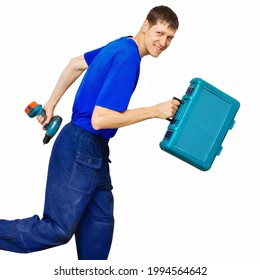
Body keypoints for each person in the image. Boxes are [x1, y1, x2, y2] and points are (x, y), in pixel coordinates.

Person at [0, 5, 180, 260]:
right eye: (160, 33)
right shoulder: (127, 58)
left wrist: (51, 103)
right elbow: (101, 119)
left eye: (170, 38)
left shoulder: (121, 45)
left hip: (93, 151)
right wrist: (155, 110)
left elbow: (75, 64)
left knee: (98, 235)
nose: (163, 42)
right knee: (57, 229)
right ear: (145, 26)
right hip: (81, 148)